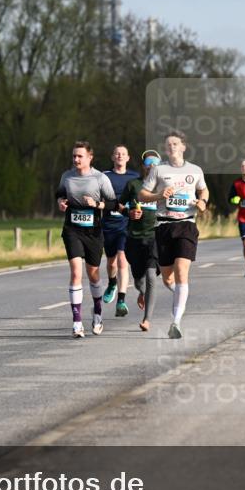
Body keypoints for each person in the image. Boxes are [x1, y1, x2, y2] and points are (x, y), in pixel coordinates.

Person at [138, 130, 209, 340]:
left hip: (186, 225)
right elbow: (143, 194)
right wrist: (159, 195)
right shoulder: (158, 171)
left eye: (176, 144)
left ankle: (176, 321)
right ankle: (180, 295)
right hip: (164, 226)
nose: (172, 147)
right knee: (168, 276)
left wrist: (202, 202)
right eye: (168, 145)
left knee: (181, 270)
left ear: (183, 147)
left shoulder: (195, 170)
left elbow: (203, 190)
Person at [57, 141, 116, 338]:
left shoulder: (100, 178)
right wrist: (61, 203)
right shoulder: (67, 176)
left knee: (93, 274)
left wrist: (97, 204)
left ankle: (98, 313)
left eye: (79, 156)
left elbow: (113, 203)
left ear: (90, 157)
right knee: (75, 273)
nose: (75, 159)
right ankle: (76, 322)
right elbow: (59, 194)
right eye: (74, 156)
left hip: (93, 231)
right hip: (72, 229)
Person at [121, 150, 160, 331]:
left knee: (151, 275)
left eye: (155, 163)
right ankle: (142, 292)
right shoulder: (133, 185)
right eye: (148, 163)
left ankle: (147, 320)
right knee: (138, 280)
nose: (151, 166)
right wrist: (128, 212)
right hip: (134, 238)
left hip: (154, 237)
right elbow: (119, 205)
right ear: (143, 165)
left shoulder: (163, 186)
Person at [101, 145, 140, 318]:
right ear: (112, 157)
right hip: (108, 224)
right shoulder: (104, 176)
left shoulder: (135, 176)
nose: (120, 156)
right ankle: (111, 284)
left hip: (126, 224)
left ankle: (121, 301)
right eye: (117, 153)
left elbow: (141, 196)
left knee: (123, 260)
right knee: (111, 263)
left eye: (123, 154)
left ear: (128, 157)